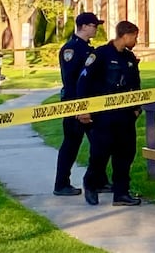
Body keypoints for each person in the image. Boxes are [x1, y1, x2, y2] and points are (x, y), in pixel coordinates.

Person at [76, 20, 143, 206]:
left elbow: (135, 85)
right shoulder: (100, 55)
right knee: (100, 154)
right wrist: (83, 109)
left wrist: (137, 108)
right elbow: (83, 81)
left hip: (125, 115)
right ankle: (91, 184)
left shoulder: (129, 58)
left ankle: (121, 193)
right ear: (126, 35)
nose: (136, 41)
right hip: (104, 115)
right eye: (135, 37)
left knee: (125, 155)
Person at [53, 12, 110, 196]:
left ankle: (99, 181)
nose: (96, 29)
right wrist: (79, 106)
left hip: (91, 103)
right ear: (84, 26)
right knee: (71, 144)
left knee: (100, 143)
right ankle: (61, 184)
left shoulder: (87, 48)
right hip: (75, 104)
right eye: (94, 25)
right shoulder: (71, 49)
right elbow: (71, 80)